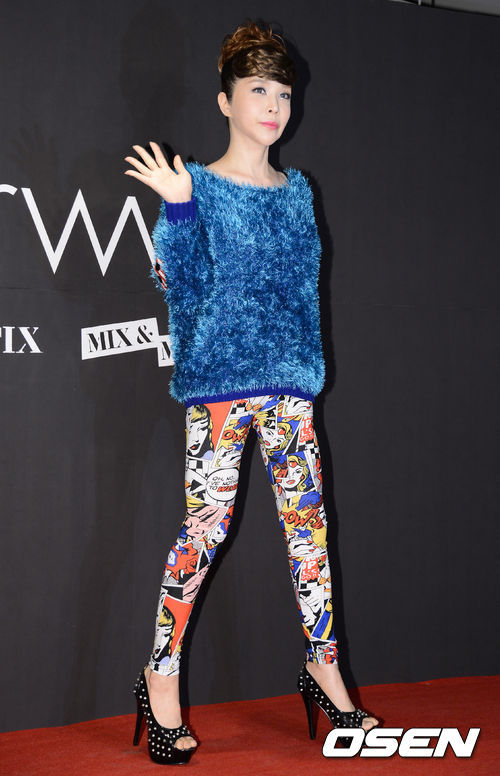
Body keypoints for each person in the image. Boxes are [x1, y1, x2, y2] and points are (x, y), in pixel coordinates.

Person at [125, 18, 379, 765]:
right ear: (225, 100)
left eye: (283, 93)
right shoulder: (196, 185)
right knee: (204, 531)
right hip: (219, 389)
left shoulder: (299, 193)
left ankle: (324, 670)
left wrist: (302, 375)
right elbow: (181, 292)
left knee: (310, 535)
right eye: (259, 90)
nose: (274, 106)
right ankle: (160, 676)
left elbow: (304, 297)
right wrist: (179, 209)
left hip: (290, 388)